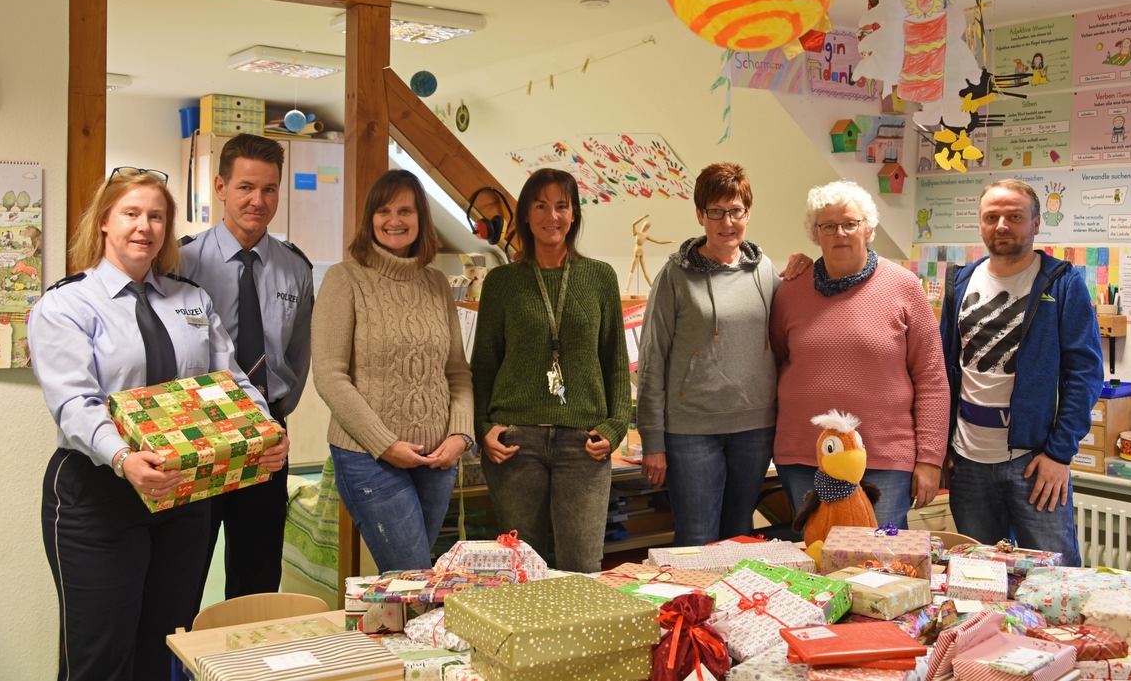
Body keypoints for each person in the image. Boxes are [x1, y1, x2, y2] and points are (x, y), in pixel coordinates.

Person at [29, 167, 286, 681]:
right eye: (131, 213)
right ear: (104, 221)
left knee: (166, 646)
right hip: (99, 493)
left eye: (156, 216)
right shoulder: (66, 304)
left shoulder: (190, 299)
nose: (143, 226)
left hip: (182, 494)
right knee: (101, 656)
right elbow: (76, 403)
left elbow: (230, 379)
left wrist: (264, 431)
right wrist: (123, 457)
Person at [472, 168, 631, 573]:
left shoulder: (599, 277)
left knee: (582, 568)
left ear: (574, 214)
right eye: (541, 205)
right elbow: (484, 365)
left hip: (584, 445)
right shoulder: (502, 282)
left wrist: (615, 428)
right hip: (514, 444)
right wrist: (481, 426)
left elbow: (614, 361)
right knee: (521, 571)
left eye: (562, 205)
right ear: (526, 214)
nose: (552, 216)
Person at [312, 169, 472, 571]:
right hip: (369, 455)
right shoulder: (343, 278)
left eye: (405, 210)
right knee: (413, 575)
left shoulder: (436, 283)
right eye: (383, 210)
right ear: (370, 219)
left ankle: (389, 633)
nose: (394, 220)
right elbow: (330, 376)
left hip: (437, 459)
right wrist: (384, 443)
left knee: (412, 578)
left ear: (421, 219)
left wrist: (460, 434)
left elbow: (457, 373)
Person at [181, 133, 313, 607]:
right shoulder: (179, 262)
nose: (258, 201)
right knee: (183, 572)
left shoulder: (295, 267)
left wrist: (274, 415)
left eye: (270, 189)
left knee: (257, 576)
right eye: (245, 187)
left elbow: (297, 356)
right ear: (220, 186)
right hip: (197, 430)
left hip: (267, 434)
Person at [771, 180, 949, 532]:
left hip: (883, 458)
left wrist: (930, 459)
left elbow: (932, 379)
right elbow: (772, 365)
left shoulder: (903, 286)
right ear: (814, 234)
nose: (840, 233)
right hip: (805, 456)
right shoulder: (790, 290)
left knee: (877, 569)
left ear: (868, 228)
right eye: (828, 226)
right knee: (816, 562)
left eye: (849, 223)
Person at [940, 179, 1102, 564]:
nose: (1002, 225)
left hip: (1034, 464)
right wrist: (941, 445)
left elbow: (1085, 375)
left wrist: (1060, 455)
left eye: (1014, 216)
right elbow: (943, 370)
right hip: (968, 462)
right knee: (977, 582)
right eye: (991, 217)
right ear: (980, 224)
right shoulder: (960, 283)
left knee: (1055, 581)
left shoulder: (1062, 283)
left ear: (1035, 223)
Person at [636, 162, 781, 546]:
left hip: (754, 428)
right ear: (700, 215)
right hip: (691, 432)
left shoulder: (764, 269)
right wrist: (653, 441)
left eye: (736, 211)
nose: (727, 222)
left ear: (747, 213)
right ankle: (693, 608)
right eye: (715, 211)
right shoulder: (675, 275)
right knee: (697, 541)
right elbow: (652, 359)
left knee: (739, 538)